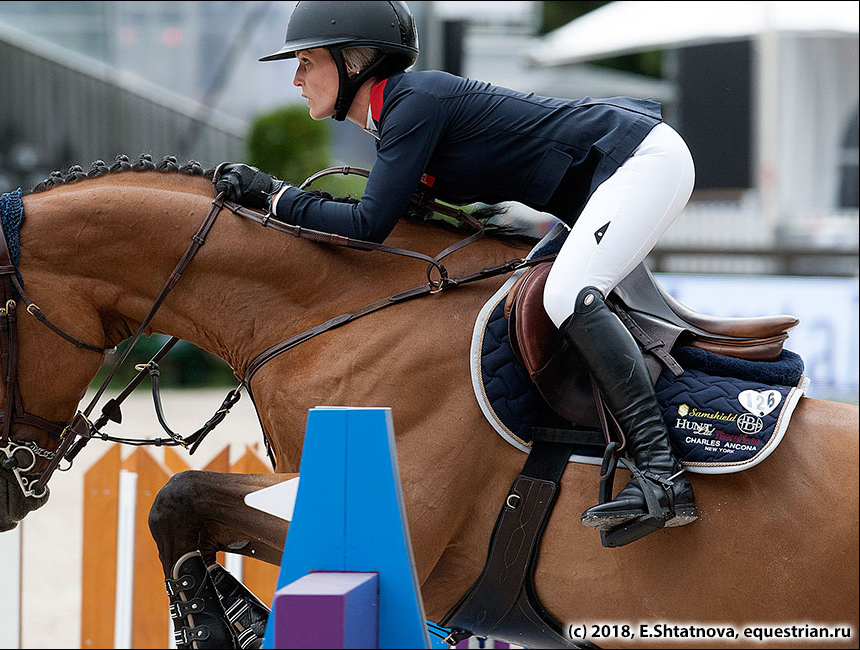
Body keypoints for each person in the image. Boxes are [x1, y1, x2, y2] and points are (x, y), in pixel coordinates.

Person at [215, 1, 697, 541]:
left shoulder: (412, 104)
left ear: (352, 64)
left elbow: (368, 225)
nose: (297, 78)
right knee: (533, 291)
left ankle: (661, 474)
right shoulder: (397, 114)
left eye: (306, 61)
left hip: (639, 160)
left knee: (566, 296)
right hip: (609, 178)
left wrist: (275, 196)